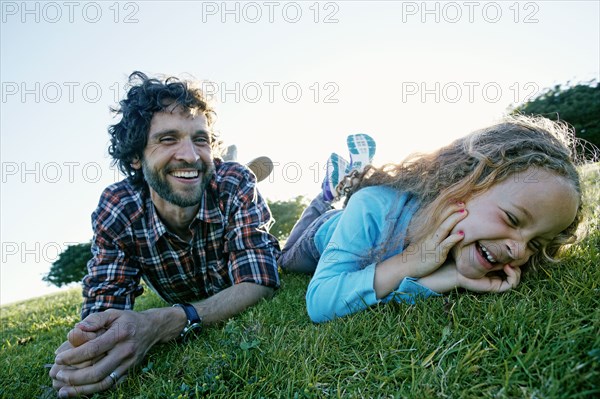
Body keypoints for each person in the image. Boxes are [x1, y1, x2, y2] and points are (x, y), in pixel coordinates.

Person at [49, 71, 281, 397]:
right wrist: (87, 346)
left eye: (200, 139)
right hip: (190, 273)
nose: (189, 154)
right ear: (134, 157)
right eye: (168, 139)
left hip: (233, 253)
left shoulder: (233, 183)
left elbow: (260, 280)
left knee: (295, 251)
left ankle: (320, 197)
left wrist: (164, 322)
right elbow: (104, 302)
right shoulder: (119, 208)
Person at [279, 116, 586, 323]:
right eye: (513, 219)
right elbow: (320, 303)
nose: (519, 251)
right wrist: (411, 261)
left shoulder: (463, 247)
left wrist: (453, 277)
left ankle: (347, 179)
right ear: (463, 184)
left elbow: (394, 289)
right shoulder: (371, 207)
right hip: (326, 231)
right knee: (287, 259)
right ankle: (327, 193)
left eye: (535, 243)